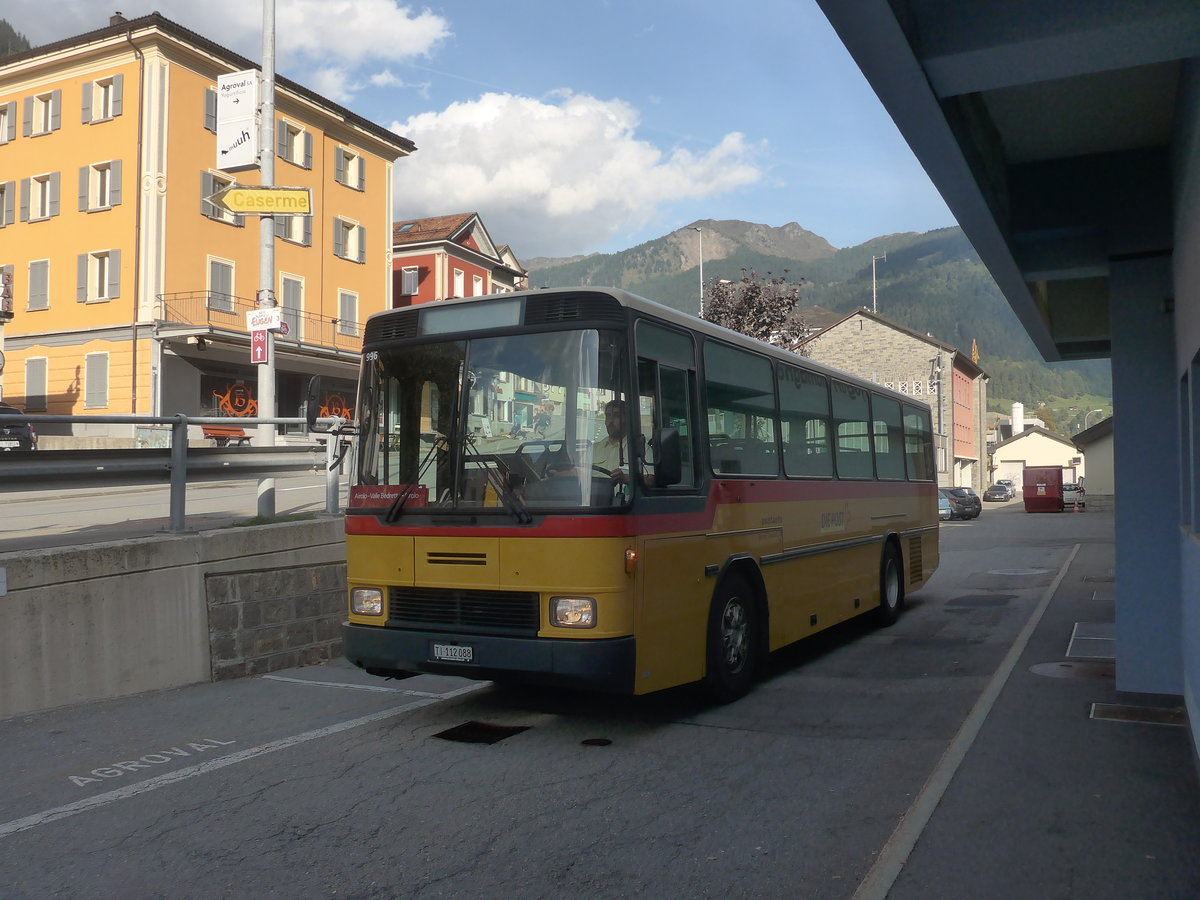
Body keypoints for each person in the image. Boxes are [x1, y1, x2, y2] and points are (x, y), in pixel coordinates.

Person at [591, 399, 630, 484]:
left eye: (616, 416)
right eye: (608, 416)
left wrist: (625, 478)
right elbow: (579, 472)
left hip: (625, 497)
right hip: (592, 497)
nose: (610, 421)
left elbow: (652, 480)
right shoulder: (593, 449)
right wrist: (557, 474)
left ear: (627, 419)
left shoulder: (639, 450)